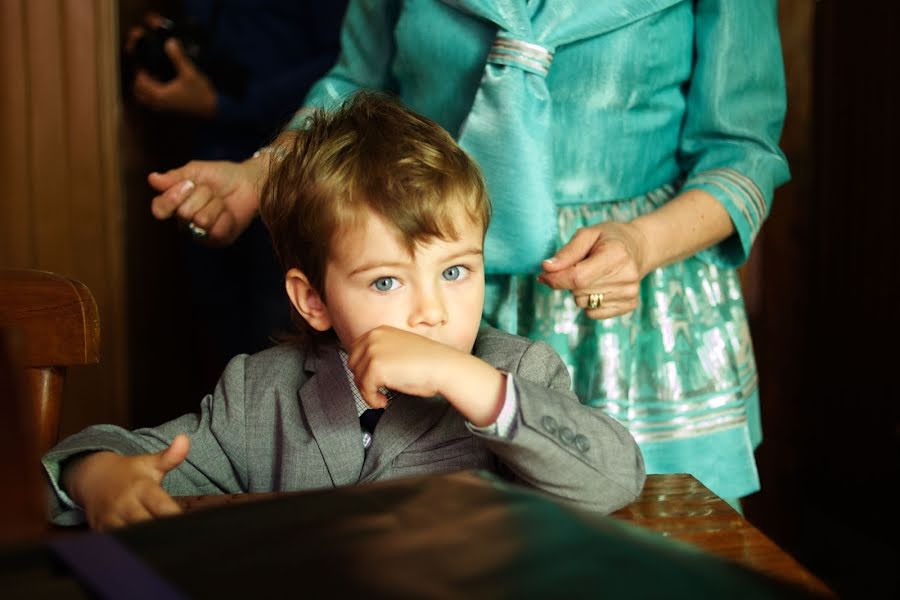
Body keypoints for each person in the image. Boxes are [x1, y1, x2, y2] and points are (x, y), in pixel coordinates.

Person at [147, 1, 789, 507]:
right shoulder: (267, 397)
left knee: (653, 552)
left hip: (625, 300)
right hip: (433, 253)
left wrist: (643, 243)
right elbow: (352, 85)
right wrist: (261, 175)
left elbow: (743, 148)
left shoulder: (523, 361)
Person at [42, 92, 646, 530]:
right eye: (387, 282)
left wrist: (471, 383)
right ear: (313, 300)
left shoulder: (516, 376)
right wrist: (94, 476)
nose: (431, 311)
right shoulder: (260, 398)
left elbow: (615, 477)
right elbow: (122, 458)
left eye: (456, 272)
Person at [125, 1, 348, 383]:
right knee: (217, 334)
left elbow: (347, 72)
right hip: (220, 168)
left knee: (279, 342)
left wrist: (224, 105)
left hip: (300, 177)